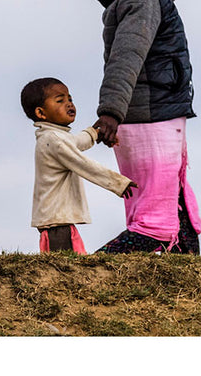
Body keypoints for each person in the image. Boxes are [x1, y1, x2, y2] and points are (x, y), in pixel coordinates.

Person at [75, 0, 201, 254]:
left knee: (178, 220)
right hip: (148, 119)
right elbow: (126, 56)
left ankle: (190, 291)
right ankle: (84, 275)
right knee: (155, 226)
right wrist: (110, 112)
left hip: (157, 114)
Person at [21, 76, 136, 252]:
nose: (68, 104)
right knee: (63, 267)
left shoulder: (55, 137)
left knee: (70, 260)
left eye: (70, 99)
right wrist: (118, 183)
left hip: (59, 220)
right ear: (41, 113)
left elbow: (77, 142)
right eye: (60, 100)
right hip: (57, 222)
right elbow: (83, 164)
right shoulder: (54, 140)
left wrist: (96, 132)